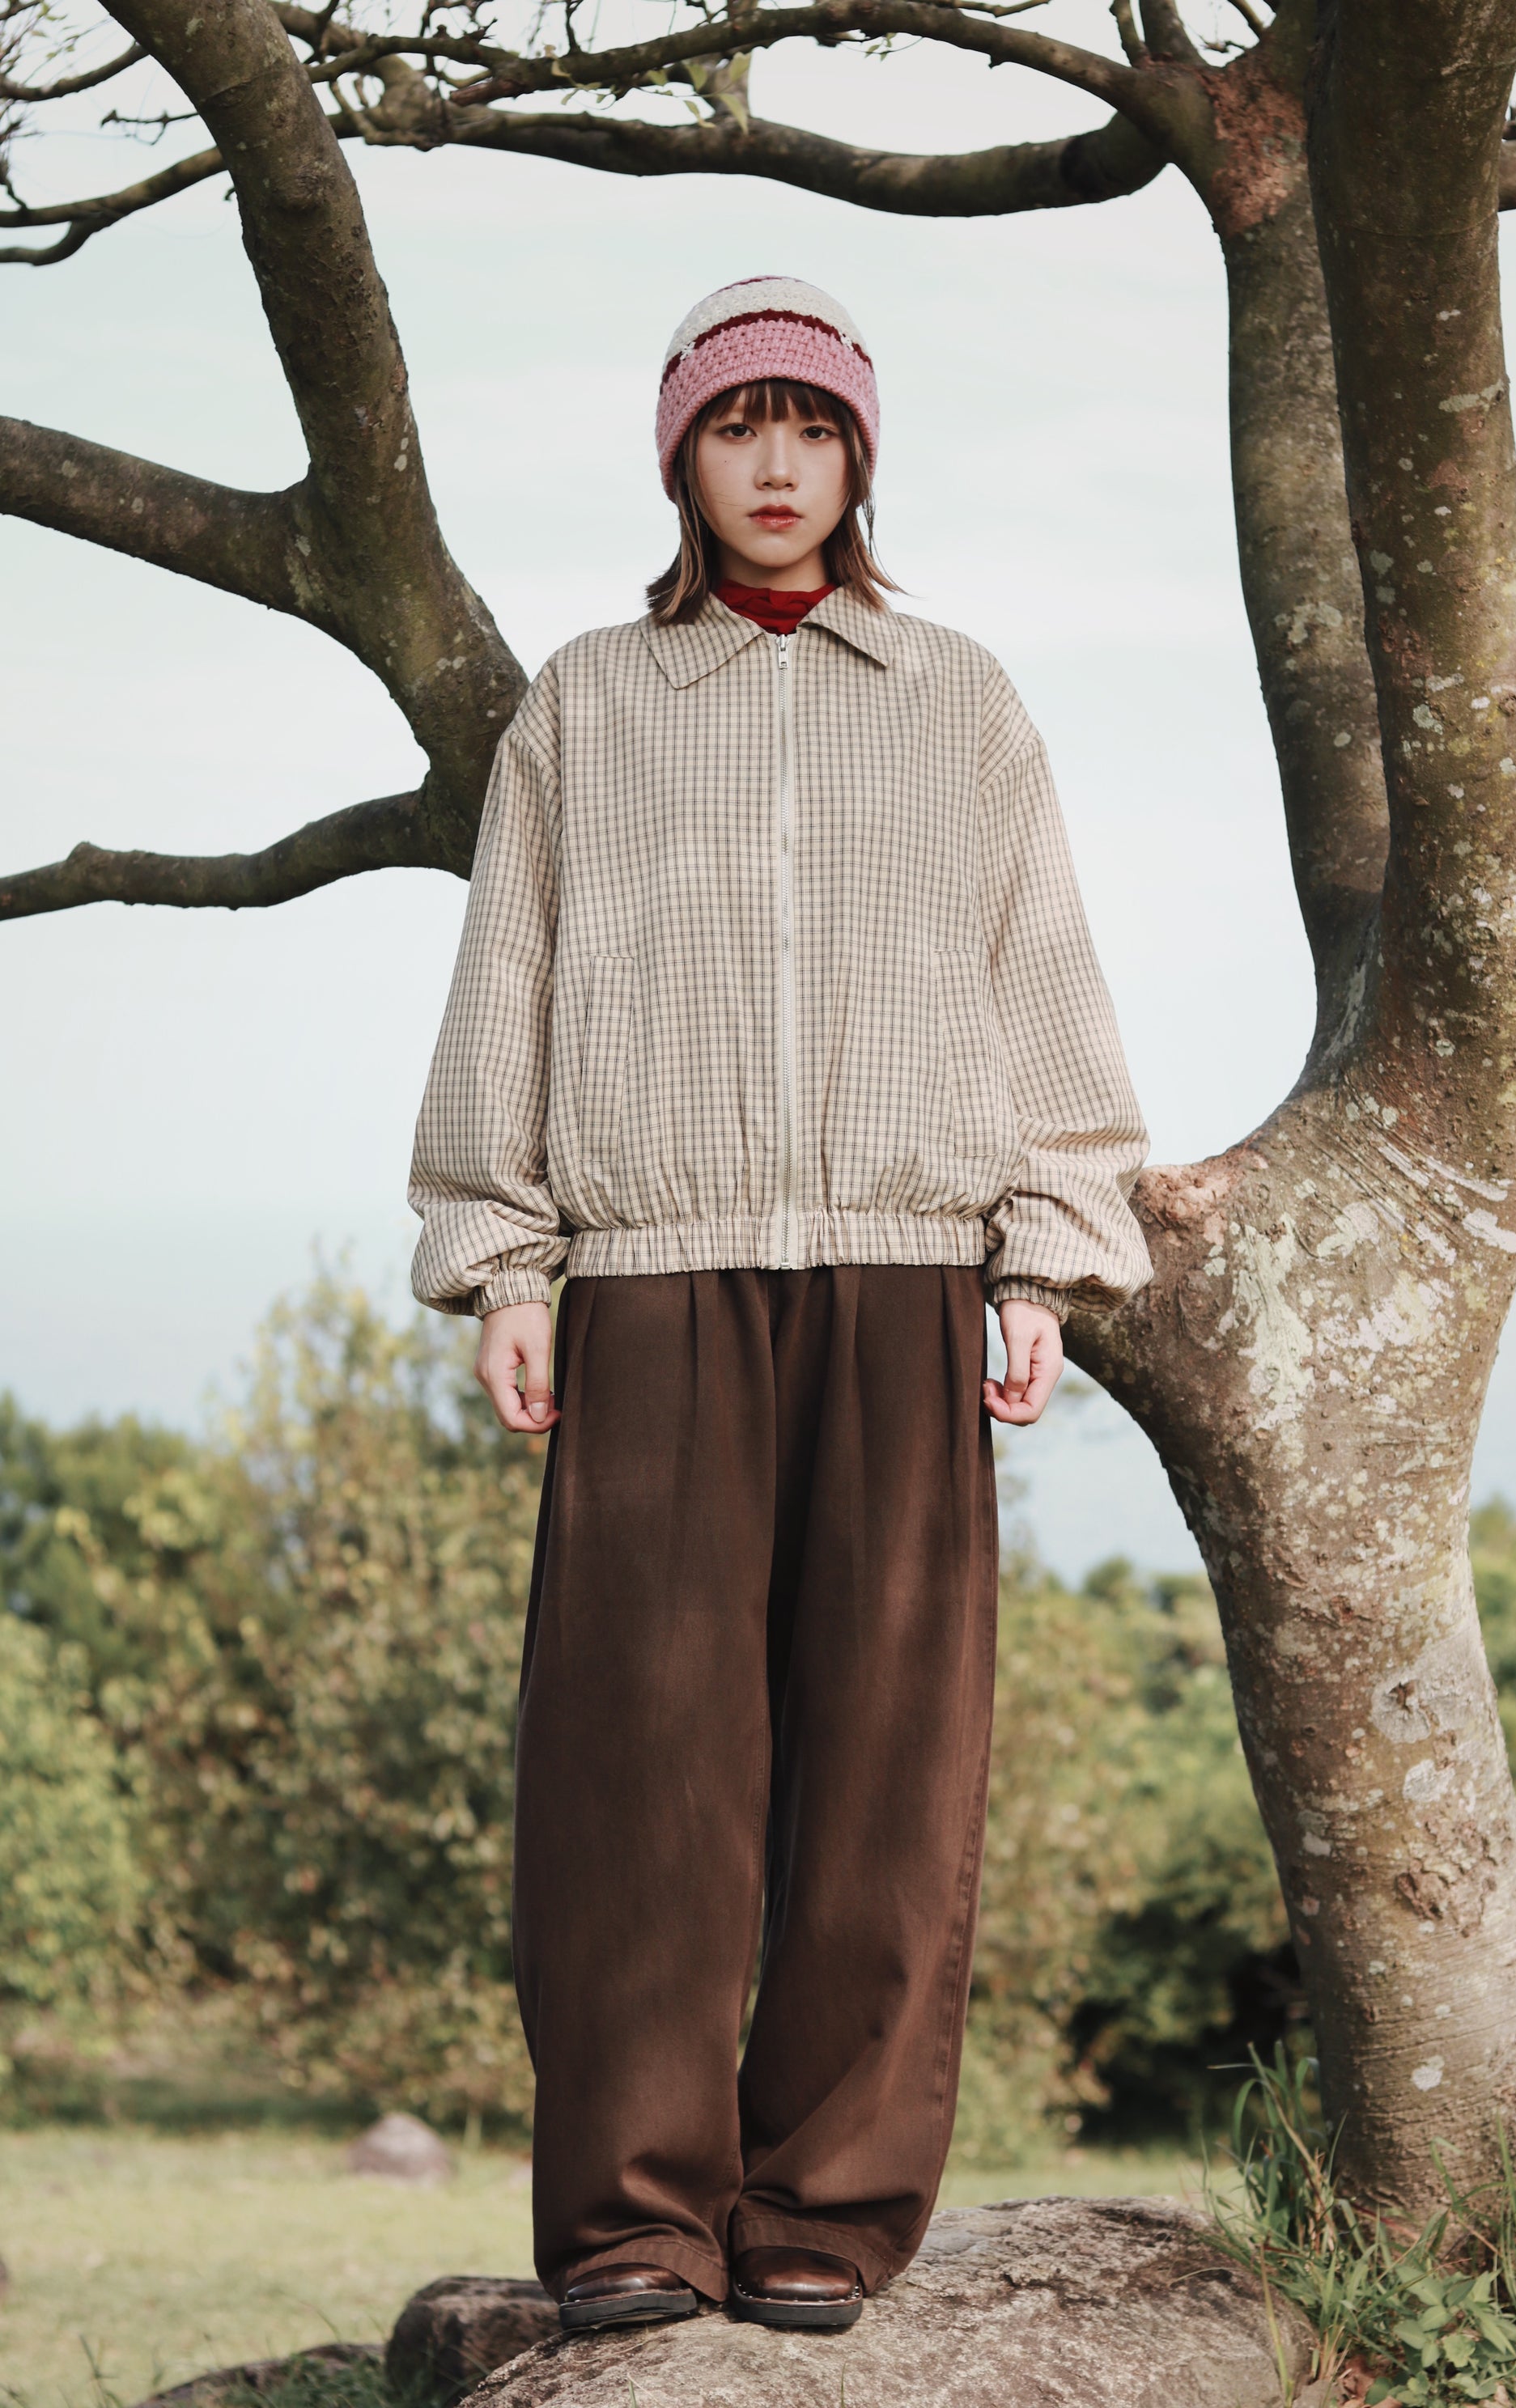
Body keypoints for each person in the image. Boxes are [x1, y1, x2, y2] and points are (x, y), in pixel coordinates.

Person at [409, 276, 1152, 2336]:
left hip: (909, 1284)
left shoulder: (958, 698)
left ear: (858, 459)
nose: (774, 463)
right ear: (680, 454)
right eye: (737, 424)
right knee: (637, 1769)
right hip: (651, 1286)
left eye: (811, 427)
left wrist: (1045, 1253)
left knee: (891, 1770)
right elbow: (506, 980)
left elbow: (1042, 974)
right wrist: (504, 1260)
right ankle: (638, 2217)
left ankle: (826, 2205)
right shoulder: (584, 702)